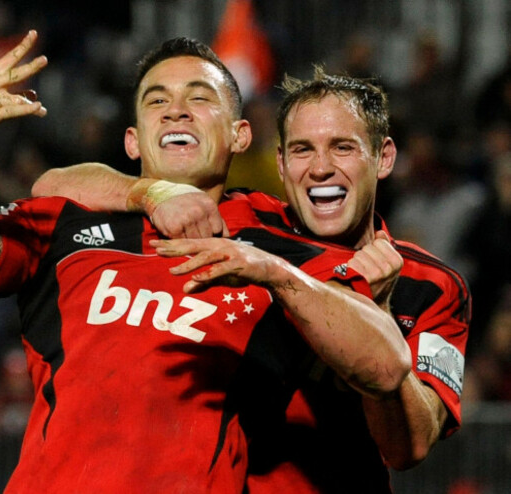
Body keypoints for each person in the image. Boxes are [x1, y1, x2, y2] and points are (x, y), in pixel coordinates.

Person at [0, 32, 408, 493]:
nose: (175, 110)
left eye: (199, 99)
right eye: (157, 101)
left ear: (240, 135)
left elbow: (386, 367)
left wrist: (274, 273)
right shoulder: (66, 225)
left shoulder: (277, 242)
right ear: (133, 141)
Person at [33, 67, 471, 493]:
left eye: (342, 148)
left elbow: (407, 449)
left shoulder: (431, 283)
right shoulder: (239, 222)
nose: (320, 168)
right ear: (280, 163)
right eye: (301, 150)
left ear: (384, 157)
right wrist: (152, 193)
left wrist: (380, 314)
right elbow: (55, 183)